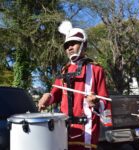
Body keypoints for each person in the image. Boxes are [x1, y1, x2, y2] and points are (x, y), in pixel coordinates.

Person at [38, 20, 112, 150]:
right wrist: (47, 97)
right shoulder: (64, 70)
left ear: (84, 45)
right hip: (64, 127)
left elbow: (105, 101)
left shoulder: (96, 69)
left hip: (87, 127)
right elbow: (55, 93)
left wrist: (95, 102)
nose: (70, 48)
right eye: (67, 46)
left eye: (74, 43)